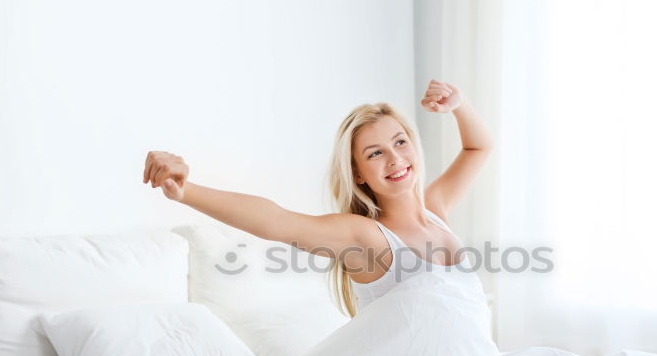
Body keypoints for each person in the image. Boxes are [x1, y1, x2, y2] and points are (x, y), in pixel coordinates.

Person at [142, 79, 494, 316]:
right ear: (357, 173)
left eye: (400, 142)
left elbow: (479, 147)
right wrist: (188, 192)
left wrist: (458, 105)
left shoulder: (436, 210)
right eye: (375, 154)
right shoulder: (365, 236)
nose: (395, 159)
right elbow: (276, 221)